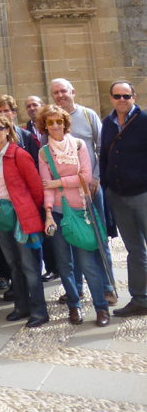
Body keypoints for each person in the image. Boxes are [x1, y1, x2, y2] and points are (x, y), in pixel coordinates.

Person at [37, 104, 110, 327]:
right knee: (65, 264)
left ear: (65, 123)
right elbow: (45, 186)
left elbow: (86, 176)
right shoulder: (43, 153)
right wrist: (48, 213)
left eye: (59, 121)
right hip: (58, 213)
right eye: (51, 122)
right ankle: (74, 306)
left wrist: (59, 182)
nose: (56, 125)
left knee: (88, 263)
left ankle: (101, 308)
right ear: (45, 126)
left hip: (80, 210)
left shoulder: (78, 145)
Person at [50, 77, 116, 303]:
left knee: (98, 237)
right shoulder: (51, 121)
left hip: (90, 189)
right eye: (56, 93)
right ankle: (76, 289)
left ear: (73, 91)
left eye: (63, 91)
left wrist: (96, 177)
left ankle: (108, 287)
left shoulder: (89, 116)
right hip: (65, 195)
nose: (60, 96)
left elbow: (102, 149)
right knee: (72, 237)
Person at [0, 113, 48, 326]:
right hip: (1, 215)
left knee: (29, 265)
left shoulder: (19, 154)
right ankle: (21, 306)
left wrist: (31, 212)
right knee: (13, 263)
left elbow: (36, 188)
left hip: (22, 215)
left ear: (8, 130)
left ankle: (39, 310)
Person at [100, 81, 147, 318]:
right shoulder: (107, 123)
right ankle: (141, 299)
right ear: (111, 98)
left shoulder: (144, 120)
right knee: (134, 250)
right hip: (118, 197)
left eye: (126, 96)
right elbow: (103, 156)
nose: (121, 99)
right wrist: (106, 187)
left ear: (133, 97)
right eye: (117, 96)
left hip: (142, 194)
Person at [0, 95, 39, 167]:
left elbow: (36, 163)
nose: (3, 114)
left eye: (6, 111)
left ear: (13, 114)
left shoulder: (26, 136)